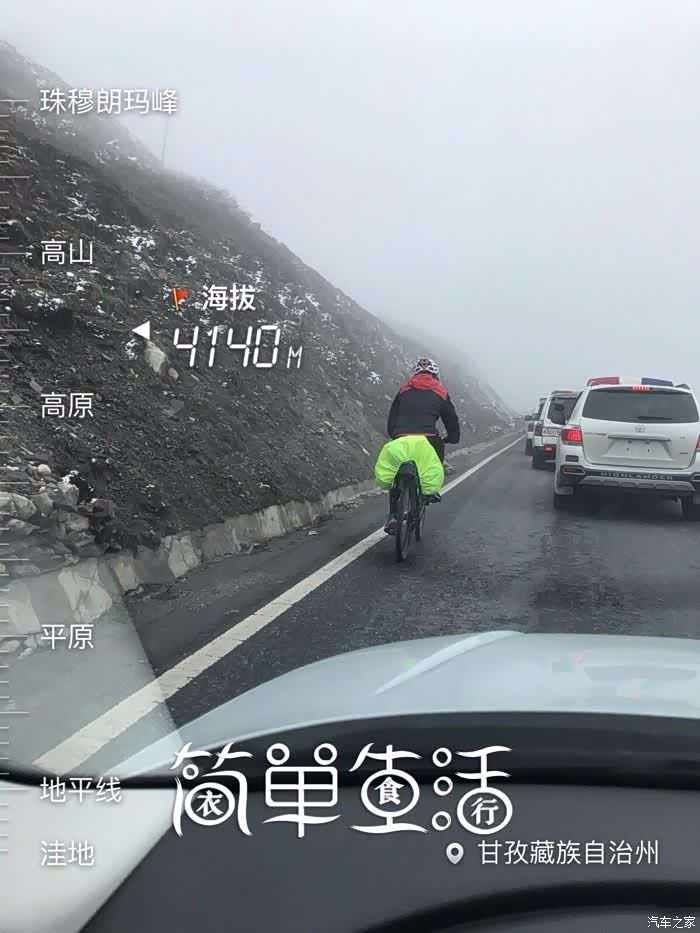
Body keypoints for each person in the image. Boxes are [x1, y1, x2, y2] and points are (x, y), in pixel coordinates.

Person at [381, 358, 461, 533]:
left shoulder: (404, 389)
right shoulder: (440, 391)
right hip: (428, 438)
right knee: (438, 448)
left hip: (402, 436)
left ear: (415, 373)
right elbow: (451, 419)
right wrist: (453, 438)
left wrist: (394, 434)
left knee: (396, 473)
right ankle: (430, 491)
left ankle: (393, 515)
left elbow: (393, 415)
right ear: (435, 375)